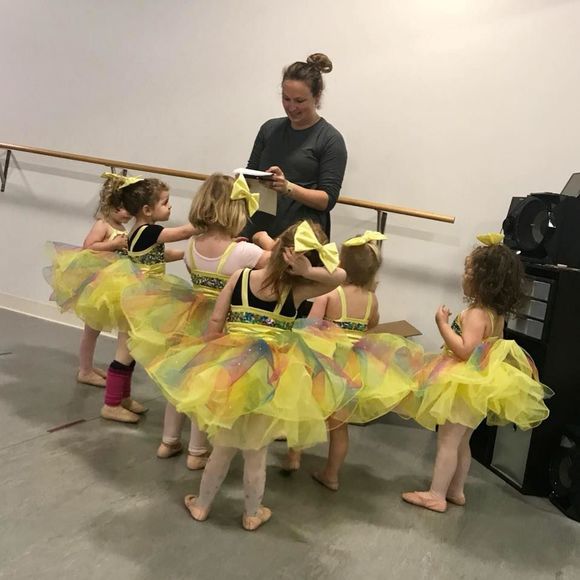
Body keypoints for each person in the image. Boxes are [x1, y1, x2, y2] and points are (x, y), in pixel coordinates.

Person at [148, 220, 346, 530]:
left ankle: (202, 505)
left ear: (278, 247)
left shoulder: (240, 277)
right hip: (271, 377)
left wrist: (209, 359)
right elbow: (339, 277)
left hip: (232, 368)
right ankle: (252, 514)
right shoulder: (296, 290)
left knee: (223, 446)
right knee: (256, 451)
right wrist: (307, 270)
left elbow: (216, 322)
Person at [124, 173, 270, 469]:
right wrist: (264, 240)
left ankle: (168, 441)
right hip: (221, 326)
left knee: (180, 382)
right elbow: (275, 264)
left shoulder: (192, 245)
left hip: (189, 317)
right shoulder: (245, 252)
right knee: (206, 389)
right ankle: (197, 451)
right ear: (237, 210)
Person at [400, 233, 552, 513]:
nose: (464, 275)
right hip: (478, 385)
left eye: (468, 270)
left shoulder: (476, 314)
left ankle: (436, 494)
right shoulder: (496, 315)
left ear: (484, 280)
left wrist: (442, 324)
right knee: (462, 442)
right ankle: (456, 490)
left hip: (462, 384)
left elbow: (465, 350)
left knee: (447, 441)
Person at [286, 231, 423, 490]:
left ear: (340, 263)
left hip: (324, 363)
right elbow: (372, 325)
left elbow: (310, 326)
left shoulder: (330, 293)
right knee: (339, 426)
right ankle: (331, 474)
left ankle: (294, 456)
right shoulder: (372, 299)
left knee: (304, 410)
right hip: (352, 368)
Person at [75, 174, 194, 423]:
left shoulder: (141, 232)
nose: (170, 207)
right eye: (165, 202)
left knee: (130, 351)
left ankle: (123, 398)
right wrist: (209, 224)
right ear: (148, 210)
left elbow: (161, 255)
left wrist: (188, 254)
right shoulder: (148, 231)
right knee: (125, 352)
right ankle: (111, 404)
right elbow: (183, 232)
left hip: (143, 295)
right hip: (140, 296)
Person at [242, 53, 347, 240]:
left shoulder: (330, 139)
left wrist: (288, 187)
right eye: (286, 99)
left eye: (299, 101)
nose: (291, 107)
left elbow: (327, 200)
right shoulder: (269, 129)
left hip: (299, 238)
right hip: (258, 229)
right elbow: (250, 174)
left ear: (317, 97)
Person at [44, 177, 131, 387]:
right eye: (121, 208)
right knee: (91, 331)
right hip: (99, 285)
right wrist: (113, 244)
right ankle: (84, 370)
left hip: (113, 284)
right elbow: (89, 246)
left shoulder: (120, 226)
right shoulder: (103, 225)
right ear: (109, 205)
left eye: (130, 209)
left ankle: (88, 366)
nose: (127, 213)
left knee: (96, 329)